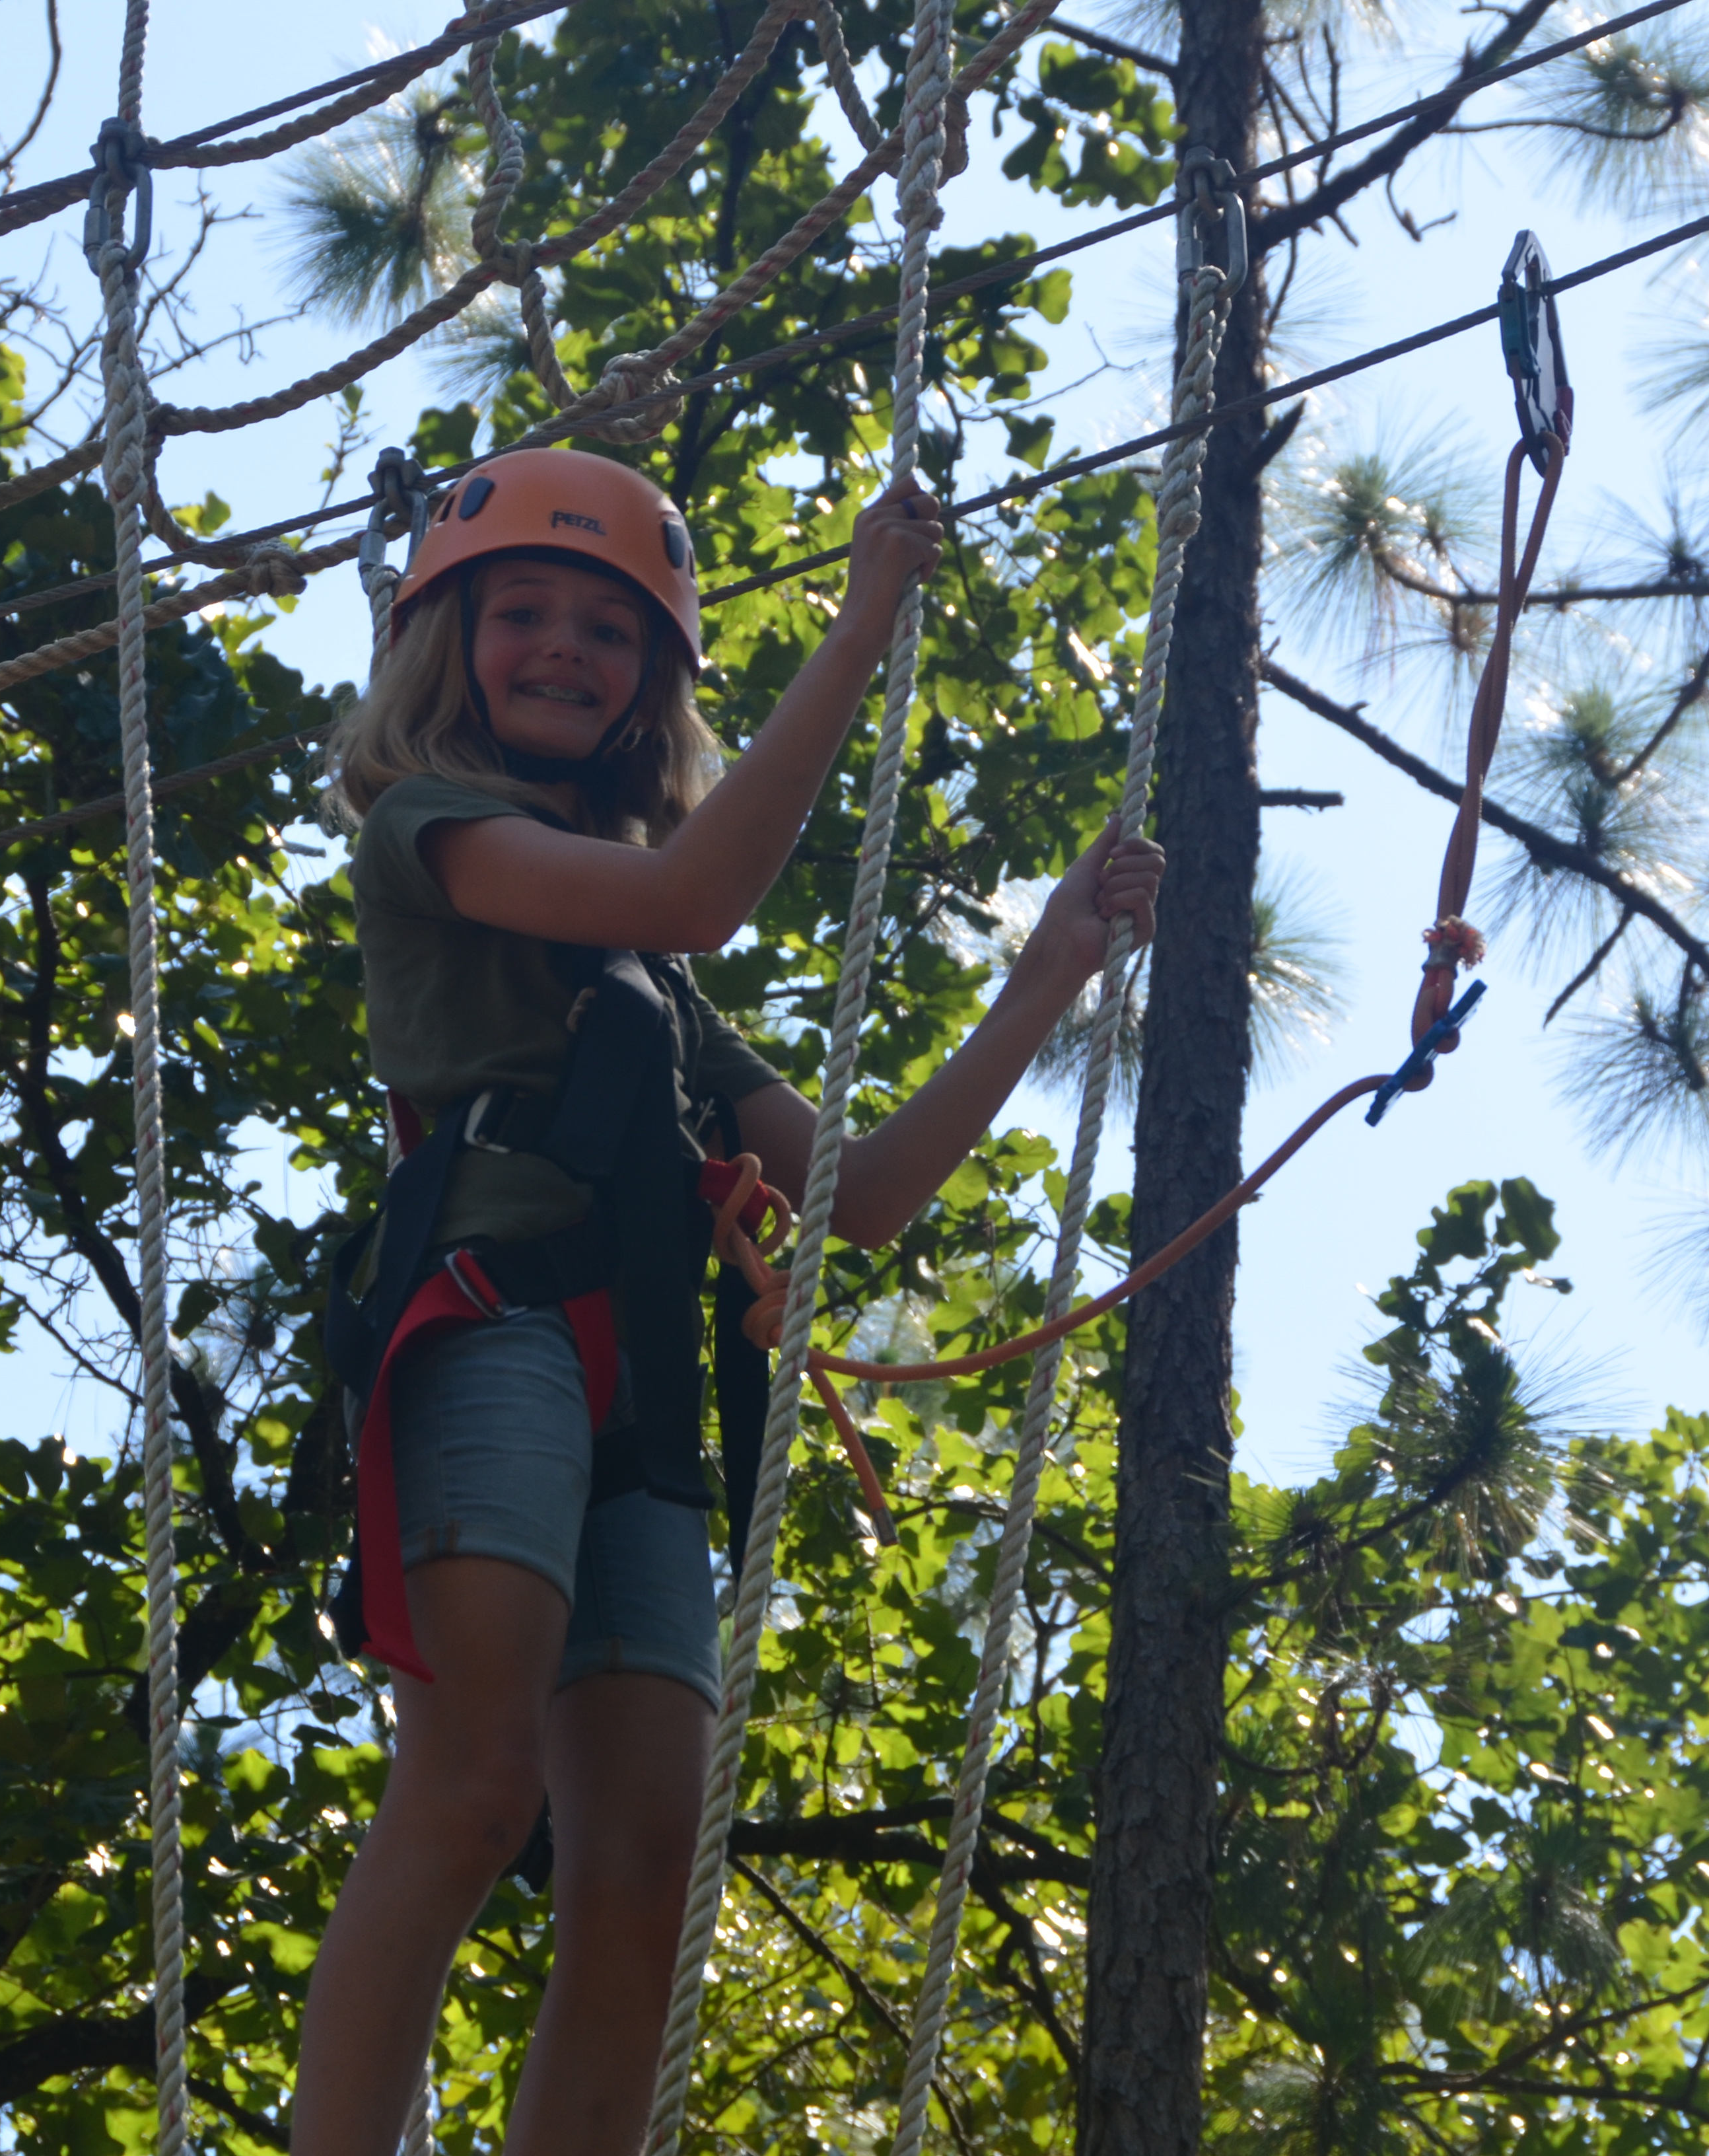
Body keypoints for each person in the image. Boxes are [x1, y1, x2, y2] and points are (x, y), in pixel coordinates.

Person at [295, 447, 1162, 2156]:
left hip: (640, 1396)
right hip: (492, 1326)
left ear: (647, 687)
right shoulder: (429, 833)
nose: (566, 647)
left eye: (609, 629)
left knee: (643, 1870)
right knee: (474, 1787)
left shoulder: (656, 995)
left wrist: (1050, 968)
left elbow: (867, 1191)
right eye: (524, 612)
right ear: (446, 644)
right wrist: (860, 629)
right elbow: (696, 892)